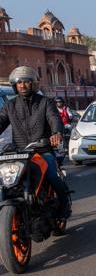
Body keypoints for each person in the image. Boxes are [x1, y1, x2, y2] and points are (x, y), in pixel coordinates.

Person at [0, 66, 70, 219]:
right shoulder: (9, 106)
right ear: (14, 85)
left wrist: (56, 133)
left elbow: (54, 119)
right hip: (19, 153)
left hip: (42, 150)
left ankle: (64, 206)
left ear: (33, 84)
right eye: (19, 83)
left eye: (26, 82)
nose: (22, 86)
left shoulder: (45, 102)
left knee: (52, 175)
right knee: (5, 182)